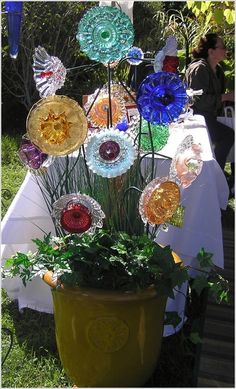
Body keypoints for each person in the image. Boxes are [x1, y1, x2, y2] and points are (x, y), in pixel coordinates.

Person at [185, 33, 234, 174]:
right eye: (222, 47)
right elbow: (198, 101)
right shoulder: (199, 69)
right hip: (197, 118)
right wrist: (225, 97)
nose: (225, 49)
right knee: (228, 135)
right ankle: (216, 173)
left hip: (210, 117)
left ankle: (228, 179)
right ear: (211, 51)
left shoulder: (218, 71)